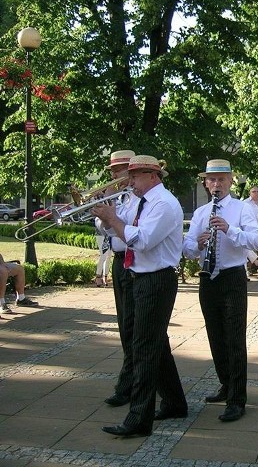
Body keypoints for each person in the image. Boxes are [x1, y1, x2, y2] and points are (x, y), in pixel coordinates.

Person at [93, 155, 188, 437]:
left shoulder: (164, 203)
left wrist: (113, 219)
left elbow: (143, 240)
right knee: (154, 345)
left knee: (144, 349)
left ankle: (139, 418)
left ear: (151, 176)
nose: (129, 182)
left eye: (133, 177)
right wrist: (107, 217)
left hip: (156, 279)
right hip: (139, 277)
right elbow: (120, 233)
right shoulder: (139, 200)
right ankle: (174, 402)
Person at [183, 159, 258, 422]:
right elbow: (188, 249)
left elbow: (256, 240)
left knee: (234, 338)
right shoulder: (201, 212)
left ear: (230, 181)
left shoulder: (241, 209)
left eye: (221, 179)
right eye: (212, 180)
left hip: (232, 277)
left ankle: (237, 398)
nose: (216, 184)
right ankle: (226, 384)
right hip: (208, 279)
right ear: (206, 183)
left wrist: (230, 229)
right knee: (215, 336)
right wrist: (197, 243)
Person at [95, 149, 137, 407]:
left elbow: (131, 231)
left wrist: (112, 210)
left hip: (136, 264)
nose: (113, 176)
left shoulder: (135, 198)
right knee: (124, 326)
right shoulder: (119, 197)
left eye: (117, 171)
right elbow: (106, 230)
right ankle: (133, 380)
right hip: (120, 264)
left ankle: (128, 384)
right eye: (112, 171)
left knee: (134, 328)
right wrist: (101, 213)